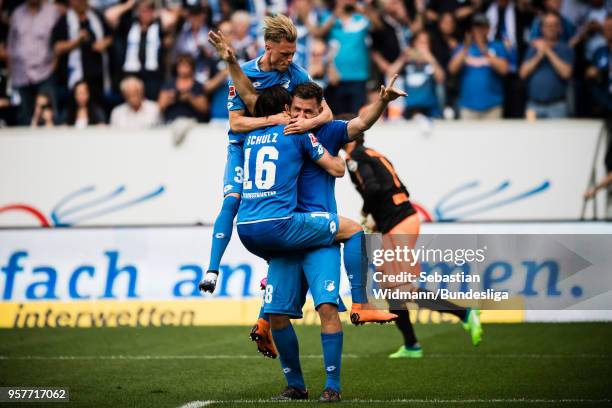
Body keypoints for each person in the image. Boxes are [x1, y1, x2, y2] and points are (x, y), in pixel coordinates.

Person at [201, 14, 334, 295]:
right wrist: (271, 121)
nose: (289, 58)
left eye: (293, 53)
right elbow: (237, 123)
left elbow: (328, 112)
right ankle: (212, 270)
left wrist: (305, 124)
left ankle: (276, 272)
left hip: (277, 150)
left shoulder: (296, 74)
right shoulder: (245, 73)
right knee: (232, 200)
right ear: (267, 46)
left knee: (282, 210)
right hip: (242, 148)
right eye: (285, 53)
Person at [341, 128, 484, 358]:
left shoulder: (355, 157)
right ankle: (411, 345)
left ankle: (464, 314)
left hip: (399, 223)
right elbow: (401, 189)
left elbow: (374, 189)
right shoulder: (373, 153)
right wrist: (381, 219)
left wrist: (366, 212)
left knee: (401, 288)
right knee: (391, 289)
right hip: (400, 220)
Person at [317, 0, 382, 114]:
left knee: (356, 118)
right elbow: (319, 33)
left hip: (359, 77)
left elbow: (378, 25)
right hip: (335, 78)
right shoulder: (328, 17)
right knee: (337, 118)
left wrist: (362, 9)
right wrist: (335, 15)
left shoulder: (360, 18)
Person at [51, 0, 113, 109]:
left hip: (97, 77)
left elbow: (110, 36)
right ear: (71, 2)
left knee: (97, 109)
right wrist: (77, 42)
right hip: (74, 78)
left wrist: (103, 43)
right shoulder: (64, 21)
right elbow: (57, 47)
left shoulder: (96, 16)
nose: (81, 2)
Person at [7, 0, 59, 125]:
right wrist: (11, 73)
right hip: (20, 75)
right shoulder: (17, 14)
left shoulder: (52, 12)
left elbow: (59, 41)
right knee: (24, 117)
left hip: (45, 73)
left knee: (49, 117)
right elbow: (11, 46)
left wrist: (54, 66)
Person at [449, 13, 509, 119]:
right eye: (476, 27)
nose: (479, 30)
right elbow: (452, 69)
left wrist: (483, 48)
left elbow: (504, 69)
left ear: (488, 29)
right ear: (472, 29)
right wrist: (466, 48)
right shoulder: (463, 48)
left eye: (483, 27)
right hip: (468, 106)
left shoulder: (497, 46)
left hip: (493, 106)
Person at [520, 11, 573, 118]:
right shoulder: (533, 47)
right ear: (542, 28)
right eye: (547, 25)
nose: (551, 28)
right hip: (533, 105)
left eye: (554, 25)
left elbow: (566, 73)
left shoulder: (566, 48)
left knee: (558, 135)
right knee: (531, 135)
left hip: (557, 106)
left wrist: (548, 51)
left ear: (560, 28)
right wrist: (539, 54)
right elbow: (523, 73)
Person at [387, 30, 445, 118]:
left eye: (426, 43)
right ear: (414, 44)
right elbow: (390, 74)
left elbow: (441, 79)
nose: (423, 46)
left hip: (429, 109)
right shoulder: (407, 61)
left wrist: (430, 58)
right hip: (409, 108)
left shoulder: (432, 61)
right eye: (421, 43)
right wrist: (403, 58)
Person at [158, 54, 208, 123]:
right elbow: (160, 106)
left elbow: (205, 108)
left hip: (193, 122)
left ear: (192, 68)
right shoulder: (169, 84)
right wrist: (170, 98)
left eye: (186, 65)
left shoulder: (197, 85)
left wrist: (190, 98)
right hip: (171, 121)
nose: (183, 68)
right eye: (181, 65)